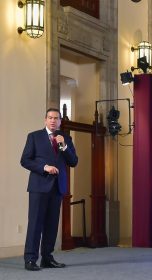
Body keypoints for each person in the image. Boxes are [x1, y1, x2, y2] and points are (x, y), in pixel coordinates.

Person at [21, 108, 78, 271]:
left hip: (57, 187)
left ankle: (47, 258)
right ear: (45, 120)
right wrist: (44, 167)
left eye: (56, 118)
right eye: (50, 118)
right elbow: (25, 160)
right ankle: (30, 259)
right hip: (39, 187)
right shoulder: (34, 137)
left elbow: (73, 161)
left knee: (52, 224)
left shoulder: (65, 138)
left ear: (60, 121)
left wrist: (64, 146)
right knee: (35, 224)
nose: (53, 121)